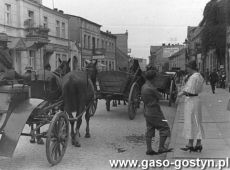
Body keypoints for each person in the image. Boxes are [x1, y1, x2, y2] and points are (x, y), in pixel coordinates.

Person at [141, 70, 173, 155]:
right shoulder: (151, 88)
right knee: (165, 127)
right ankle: (161, 148)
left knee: (150, 128)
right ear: (153, 78)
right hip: (155, 111)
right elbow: (161, 97)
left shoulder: (144, 86)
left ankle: (149, 149)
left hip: (147, 111)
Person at [177, 60, 205, 152]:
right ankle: (198, 143)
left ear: (190, 67)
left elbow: (188, 90)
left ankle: (190, 144)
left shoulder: (193, 77)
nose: (186, 69)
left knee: (190, 121)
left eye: (187, 67)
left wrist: (179, 94)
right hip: (196, 100)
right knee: (197, 121)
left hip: (191, 100)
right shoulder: (199, 76)